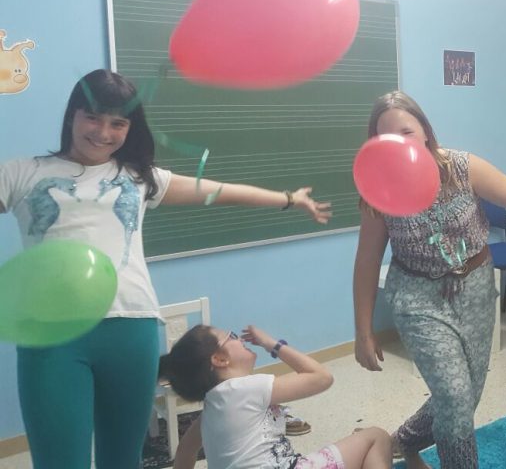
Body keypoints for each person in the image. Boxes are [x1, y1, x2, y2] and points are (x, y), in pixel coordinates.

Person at [0, 69, 331, 469]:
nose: (103, 132)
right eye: (93, 117)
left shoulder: (139, 179)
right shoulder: (21, 172)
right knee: (58, 461)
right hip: (52, 334)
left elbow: (218, 191)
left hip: (131, 330)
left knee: (122, 459)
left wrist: (289, 198)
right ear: (73, 114)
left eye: (117, 123)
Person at [351, 91, 506, 469]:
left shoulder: (461, 168)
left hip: (476, 286)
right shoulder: (378, 193)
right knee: (453, 395)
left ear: (426, 133)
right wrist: (363, 331)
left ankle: (404, 439)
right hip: (417, 296)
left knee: (466, 394)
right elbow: (367, 261)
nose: (400, 144)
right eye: (387, 138)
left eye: (407, 132)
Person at [159, 324, 392, 469]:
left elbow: (185, 452)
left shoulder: (211, 410)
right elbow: (322, 377)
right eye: (231, 336)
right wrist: (272, 344)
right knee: (376, 437)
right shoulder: (247, 388)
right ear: (220, 359)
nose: (239, 338)